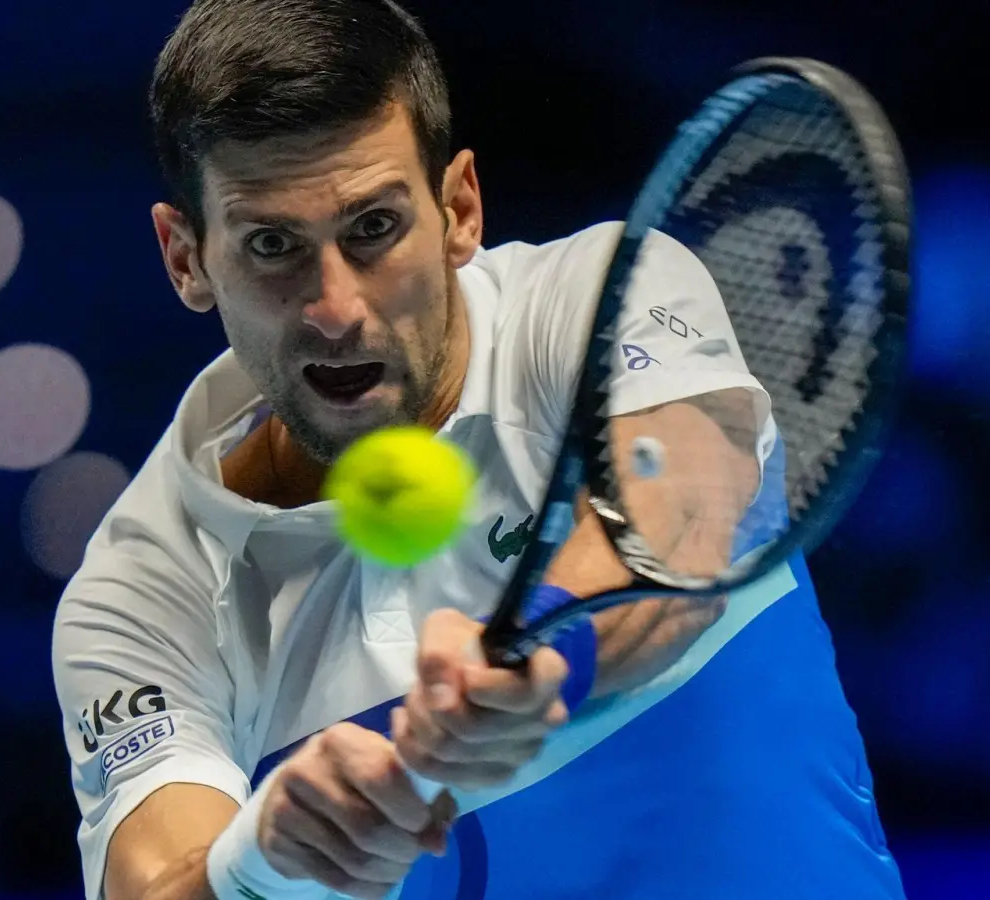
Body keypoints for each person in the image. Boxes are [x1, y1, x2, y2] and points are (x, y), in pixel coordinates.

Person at [51, 1, 906, 898]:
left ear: (459, 208)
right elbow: (154, 881)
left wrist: (547, 662)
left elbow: (683, 516)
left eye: (374, 228)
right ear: (185, 257)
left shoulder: (596, 298)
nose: (335, 308)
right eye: (272, 245)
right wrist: (255, 864)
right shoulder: (142, 590)